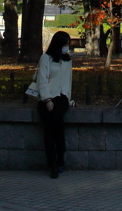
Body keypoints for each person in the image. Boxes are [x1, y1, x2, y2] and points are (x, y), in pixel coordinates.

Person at [36, 30, 74, 178]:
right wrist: (46, 99)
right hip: (47, 97)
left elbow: (68, 82)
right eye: (65, 44)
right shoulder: (46, 58)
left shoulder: (67, 60)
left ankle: (60, 159)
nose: (67, 47)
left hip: (62, 97)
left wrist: (69, 99)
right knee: (49, 129)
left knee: (57, 122)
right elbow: (42, 79)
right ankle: (52, 162)